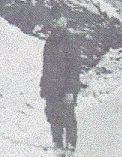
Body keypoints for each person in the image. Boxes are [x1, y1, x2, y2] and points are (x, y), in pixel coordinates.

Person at [41, 10, 83, 154]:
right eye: (53, 20)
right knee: (53, 116)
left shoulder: (70, 41)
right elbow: (46, 65)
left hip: (66, 87)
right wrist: (43, 86)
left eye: (59, 20)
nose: (56, 23)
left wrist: (71, 90)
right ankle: (57, 144)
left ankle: (71, 147)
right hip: (51, 87)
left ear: (64, 22)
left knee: (68, 117)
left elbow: (74, 68)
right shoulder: (50, 41)